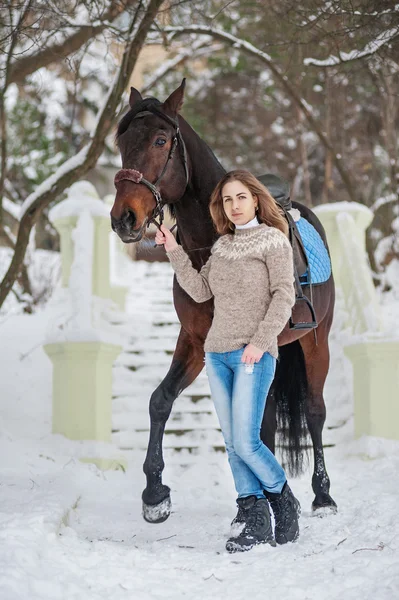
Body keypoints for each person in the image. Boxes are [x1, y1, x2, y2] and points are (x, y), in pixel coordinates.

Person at [155, 169, 300, 553]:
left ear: (255, 199)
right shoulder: (222, 247)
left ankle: (284, 499)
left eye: (240, 198)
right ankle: (253, 518)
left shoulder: (273, 241)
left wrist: (261, 341)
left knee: (248, 442)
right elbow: (200, 289)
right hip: (217, 355)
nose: (233, 206)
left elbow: (284, 296)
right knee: (233, 444)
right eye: (226, 200)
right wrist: (172, 248)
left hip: (254, 353)